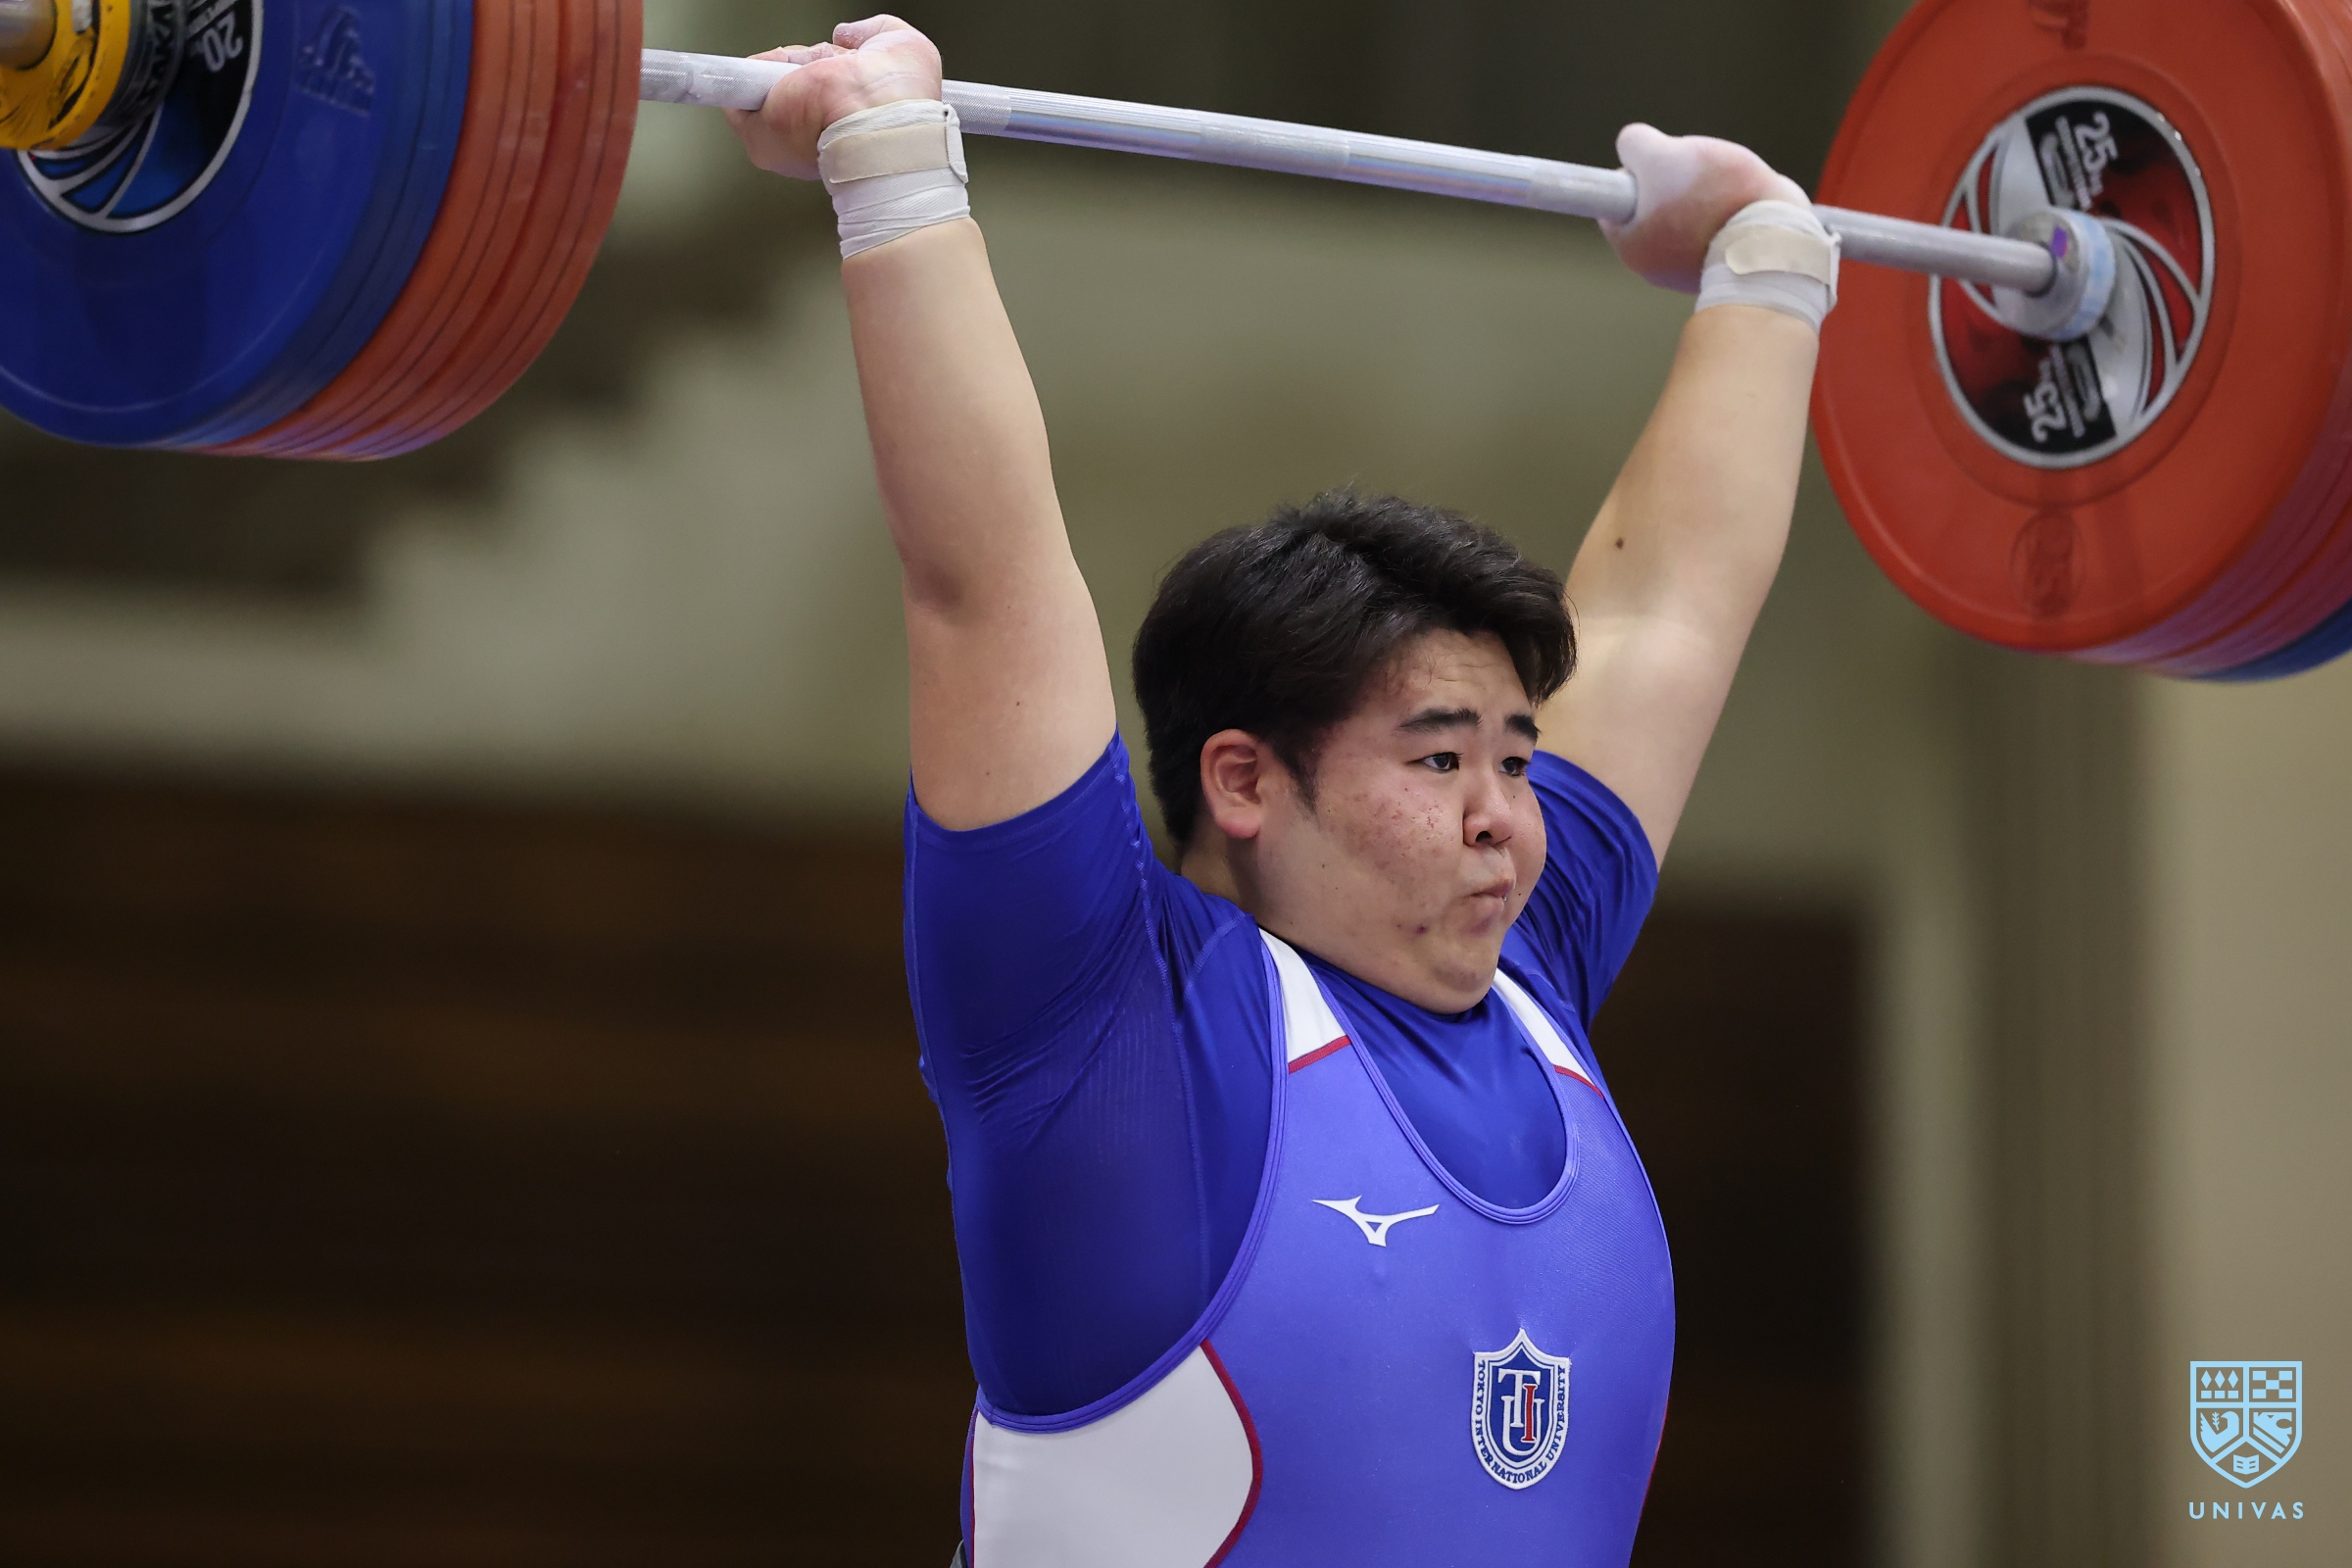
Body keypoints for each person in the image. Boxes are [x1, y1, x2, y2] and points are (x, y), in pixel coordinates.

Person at [732, 17, 1832, 1566]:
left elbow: (1670, 618)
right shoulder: (1106, 1037)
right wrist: (889, 166)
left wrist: (1766, 265)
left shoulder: (1526, 971)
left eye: (1519, 760)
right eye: (1441, 759)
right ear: (1244, 780)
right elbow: (984, 587)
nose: (1506, 817)